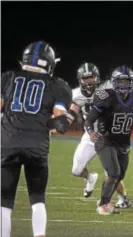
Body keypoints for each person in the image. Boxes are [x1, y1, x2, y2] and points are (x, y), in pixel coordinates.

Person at [1, 41, 72, 237]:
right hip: (36, 147)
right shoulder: (57, 85)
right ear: (49, 63)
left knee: (4, 202)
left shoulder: (7, 78)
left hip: (7, 144)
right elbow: (61, 124)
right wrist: (44, 123)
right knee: (37, 199)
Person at [66, 62, 131, 208]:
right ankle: (90, 178)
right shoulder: (76, 94)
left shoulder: (108, 88)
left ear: (97, 77)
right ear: (79, 79)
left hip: (108, 135)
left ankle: (123, 198)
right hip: (90, 135)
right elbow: (71, 113)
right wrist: (59, 123)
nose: (89, 81)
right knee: (76, 170)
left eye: (92, 77)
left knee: (112, 171)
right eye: (86, 78)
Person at [84, 66, 133, 215]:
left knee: (120, 175)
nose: (123, 84)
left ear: (132, 82)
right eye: (120, 81)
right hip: (105, 140)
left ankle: (104, 201)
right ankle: (103, 205)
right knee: (113, 172)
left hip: (124, 143)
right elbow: (89, 120)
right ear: (114, 82)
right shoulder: (106, 96)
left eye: (126, 81)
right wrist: (91, 133)